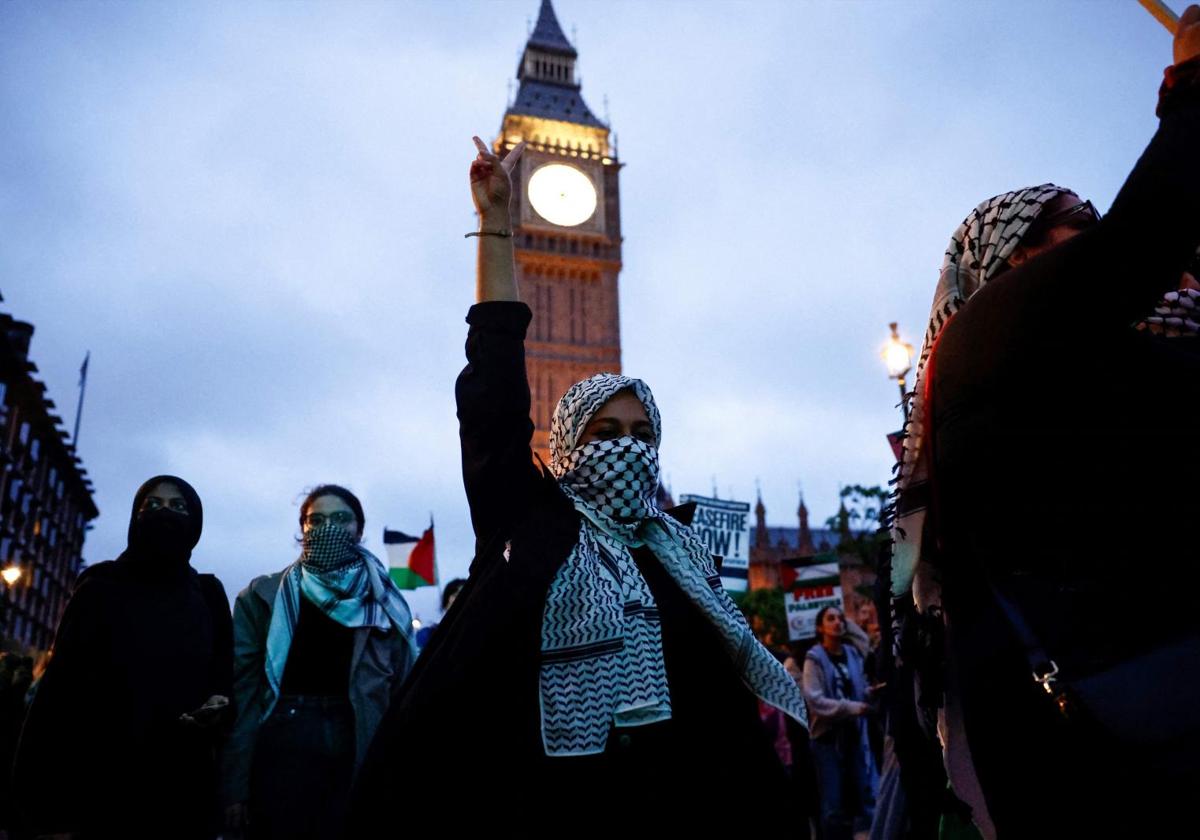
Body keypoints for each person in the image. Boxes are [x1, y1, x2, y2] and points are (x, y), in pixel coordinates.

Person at [348, 136, 806, 835]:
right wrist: (498, 225)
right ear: (565, 443)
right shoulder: (527, 518)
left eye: (639, 434)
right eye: (603, 431)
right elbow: (495, 382)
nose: (624, 447)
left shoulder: (679, 552)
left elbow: (723, 711)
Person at [891, 9, 1200, 835]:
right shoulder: (989, 339)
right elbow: (1144, 237)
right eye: (1076, 225)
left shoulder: (1124, 358)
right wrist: (1190, 81)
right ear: (1013, 259)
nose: (1093, 231)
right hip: (1096, 762)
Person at [13, 476, 232, 839]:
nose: (165, 512)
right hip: (97, 786)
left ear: (195, 523)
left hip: (179, 789)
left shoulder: (207, 594)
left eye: (178, 506)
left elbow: (223, 678)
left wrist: (219, 706)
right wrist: (42, 810)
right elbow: (58, 695)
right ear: (135, 516)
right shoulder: (100, 587)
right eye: (153, 505)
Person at [221, 485, 415, 840]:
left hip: (357, 742)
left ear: (359, 529)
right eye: (317, 519)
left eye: (341, 518)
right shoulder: (262, 596)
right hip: (283, 744)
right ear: (302, 529)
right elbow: (244, 696)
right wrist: (235, 786)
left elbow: (403, 695)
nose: (329, 527)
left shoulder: (384, 601)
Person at [801, 605, 879, 840]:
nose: (837, 622)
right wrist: (851, 707)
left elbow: (858, 687)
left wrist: (870, 693)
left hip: (853, 736)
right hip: (827, 741)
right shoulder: (814, 658)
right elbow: (815, 700)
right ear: (819, 627)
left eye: (840, 618)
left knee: (864, 793)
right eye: (830, 618)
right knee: (833, 803)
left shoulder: (851, 653)